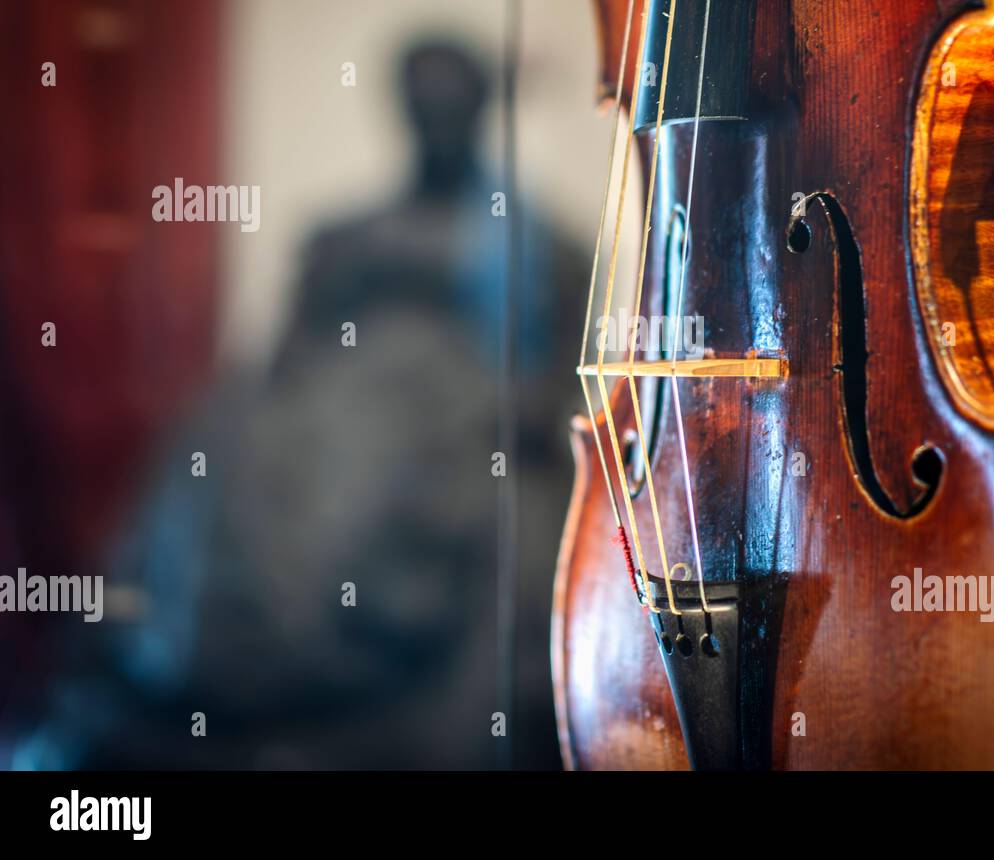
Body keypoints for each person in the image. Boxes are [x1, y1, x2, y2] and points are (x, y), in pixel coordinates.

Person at [13, 38, 583, 770]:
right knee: (224, 447)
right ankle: (201, 670)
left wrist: (498, 408)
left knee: (375, 477)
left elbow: (556, 367)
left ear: (480, 108)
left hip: (452, 415)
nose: (435, 119)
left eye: (452, 102)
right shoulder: (345, 233)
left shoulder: (536, 242)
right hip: (327, 401)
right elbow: (288, 344)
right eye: (421, 102)